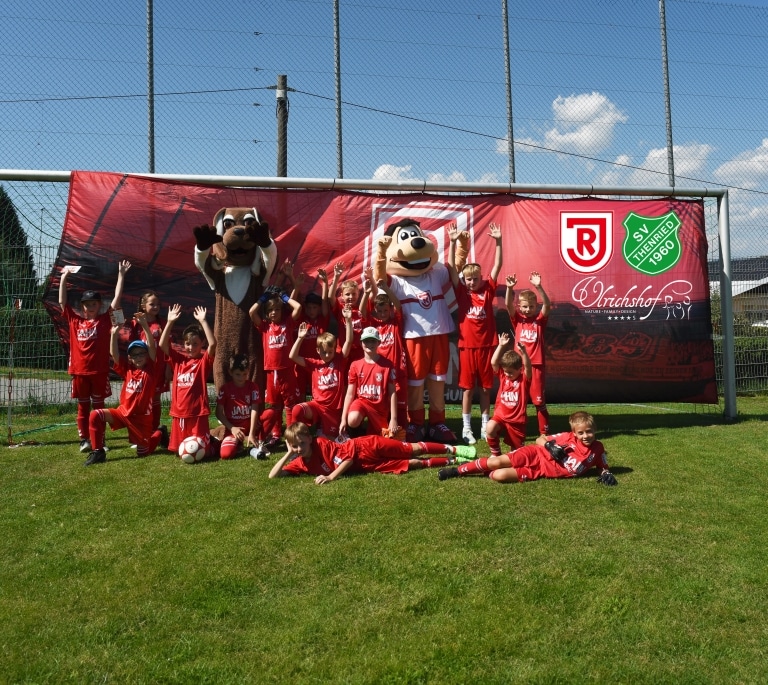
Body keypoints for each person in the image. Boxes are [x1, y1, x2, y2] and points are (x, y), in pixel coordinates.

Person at [58, 260, 130, 452]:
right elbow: (62, 302)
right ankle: (84, 440)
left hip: (99, 371)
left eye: (94, 303)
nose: (90, 306)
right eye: (87, 304)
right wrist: (64, 278)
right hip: (80, 372)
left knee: (98, 409)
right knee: (82, 408)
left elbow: (116, 301)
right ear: (82, 307)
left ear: (99, 305)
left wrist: (121, 275)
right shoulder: (74, 320)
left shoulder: (104, 320)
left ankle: (100, 440)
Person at [438, 410, 617, 485]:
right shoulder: (566, 437)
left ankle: (481, 467)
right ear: (574, 433)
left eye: (589, 432)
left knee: (499, 475)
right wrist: (549, 445)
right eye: (581, 433)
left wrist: (606, 475)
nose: (586, 436)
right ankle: (457, 471)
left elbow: (603, 468)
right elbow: (540, 439)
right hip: (535, 455)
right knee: (496, 462)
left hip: (541, 472)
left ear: (595, 430)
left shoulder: (598, 449)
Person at [83, 313, 169, 465]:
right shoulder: (127, 369)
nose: (138, 357)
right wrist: (114, 334)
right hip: (123, 413)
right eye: (134, 355)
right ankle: (98, 451)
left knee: (143, 453)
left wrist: (145, 327)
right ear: (130, 358)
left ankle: (160, 433)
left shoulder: (150, 369)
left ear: (147, 355)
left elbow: (152, 348)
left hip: (140, 418)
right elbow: (114, 354)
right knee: (95, 415)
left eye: (141, 353)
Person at [269, 421, 477, 484]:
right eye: (294, 445)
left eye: (301, 444)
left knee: (409, 449)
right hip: (367, 465)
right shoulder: (300, 462)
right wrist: (288, 454)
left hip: (366, 446)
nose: (298, 449)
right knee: (411, 463)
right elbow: (273, 476)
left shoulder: (321, 444)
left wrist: (330, 477)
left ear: (310, 439)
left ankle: (455, 448)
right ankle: (452, 459)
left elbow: (347, 459)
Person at [449, 221, 503, 445]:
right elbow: (452, 268)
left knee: (485, 388)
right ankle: (466, 428)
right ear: (465, 280)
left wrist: (498, 242)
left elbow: (497, 266)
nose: (472, 282)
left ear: (481, 278)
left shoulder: (488, 289)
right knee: (468, 390)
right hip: (467, 346)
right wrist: (452, 243)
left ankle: (484, 426)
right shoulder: (462, 291)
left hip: (488, 346)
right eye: (468, 278)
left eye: (475, 278)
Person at [158, 304, 217, 458]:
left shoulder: (203, 362)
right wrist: (170, 322)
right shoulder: (178, 360)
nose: (191, 347)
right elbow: (162, 345)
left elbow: (213, 344)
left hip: (198, 413)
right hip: (180, 413)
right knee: (181, 451)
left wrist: (203, 321)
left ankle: (213, 442)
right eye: (188, 344)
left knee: (204, 452)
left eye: (195, 344)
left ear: (201, 344)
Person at [289, 305, 354, 439]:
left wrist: (348, 320)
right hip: (317, 406)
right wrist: (300, 337)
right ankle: (298, 439)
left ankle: (321, 430)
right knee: (297, 409)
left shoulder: (338, 360)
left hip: (334, 410)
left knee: (330, 440)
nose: (327, 354)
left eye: (330, 351)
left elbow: (349, 341)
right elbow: (292, 356)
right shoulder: (314, 364)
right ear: (318, 350)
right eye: (324, 352)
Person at [249, 286, 303, 448]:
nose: (274, 312)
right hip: (271, 372)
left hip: (287, 370)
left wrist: (285, 297)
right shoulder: (265, 326)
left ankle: (291, 435)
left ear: (282, 311)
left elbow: (298, 307)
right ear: (267, 312)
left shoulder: (288, 322)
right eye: (271, 310)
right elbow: (252, 312)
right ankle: (276, 434)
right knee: (275, 406)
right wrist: (263, 298)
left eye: (277, 309)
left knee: (289, 405)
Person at [359, 268, 408, 431]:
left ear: (390, 310)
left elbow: (399, 306)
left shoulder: (396, 323)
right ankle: (380, 430)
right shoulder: (373, 324)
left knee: (400, 409)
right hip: (379, 372)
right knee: (381, 406)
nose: (382, 314)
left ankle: (400, 433)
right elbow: (361, 312)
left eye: (385, 310)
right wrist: (366, 294)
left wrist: (386, 288)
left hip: (397, 371)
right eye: (379, 311)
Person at [505, 271, 552, 435]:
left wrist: (538, 286)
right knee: (519, 401)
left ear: (536, 307)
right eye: (525, 306)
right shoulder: (517, 319)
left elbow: (547, 305)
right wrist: (510, 289)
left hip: (536, 366)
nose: (528, 309)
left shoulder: (540, 320)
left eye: (531, 306)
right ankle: (518, 432)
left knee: (539, 402)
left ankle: (544, 434)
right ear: (520, 307)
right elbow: (508, 305)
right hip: (519, 367)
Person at [339, 326, 398, 438]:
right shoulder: (355, 365)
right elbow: (350, 394)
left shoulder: (388, 365)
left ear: (379, 342)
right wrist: (343, 419)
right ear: (361, 343)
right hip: (362, 402)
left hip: (379, 407)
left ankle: (368, 432)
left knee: (382, 439)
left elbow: (392, 393)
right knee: (353, 419)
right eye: (366, 341)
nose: (369, 344)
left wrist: (393, 419)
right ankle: (354, 435)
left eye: (373, 341)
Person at [215, 353, 275, 459]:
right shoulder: (225, 389)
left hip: (251, 425)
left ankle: (259, 442)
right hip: (234, 428)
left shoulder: (253, 387)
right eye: (238, 374)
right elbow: (218, 413)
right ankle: (239, 442)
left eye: (244, 374)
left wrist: (251, 432)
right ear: (231, 372)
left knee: (271, 413)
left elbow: (255, 409)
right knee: (226, 454)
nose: (241, 378)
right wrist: (232, 428)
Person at [127, 290, 170, 431]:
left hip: (157, 368)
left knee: (155, 399)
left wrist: (169, 366)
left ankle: (154, 429)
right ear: (143, 306)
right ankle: (140, 430)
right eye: (152, 304)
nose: (156, 306)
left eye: (158, 304)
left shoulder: (162, 323)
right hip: (141, 370)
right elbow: (130, 346)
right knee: (140, 399)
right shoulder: (135, 323)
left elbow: (168, 347)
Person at [485, 333, 531, 457]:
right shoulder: (503, 376)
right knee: (489, 428)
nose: (507, 374)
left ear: (519, 370)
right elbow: (493, 362)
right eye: (505, 371)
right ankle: (496, 455)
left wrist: (524, 353)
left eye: (510, 372)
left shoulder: (524, 380)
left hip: (516, 421)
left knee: (517, 455)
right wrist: (500, 346)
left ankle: (515, 459)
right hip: (501, 416)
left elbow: (528, 367)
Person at [327, 261, 364, 362]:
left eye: (354, 294)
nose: (351, 297)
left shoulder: (362, 308)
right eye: (348, 294)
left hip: (361, 352)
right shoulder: (340, 308)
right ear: (342, 295)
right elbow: (330, 297)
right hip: (343, 351)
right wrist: (336, 277)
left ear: (358, 294)